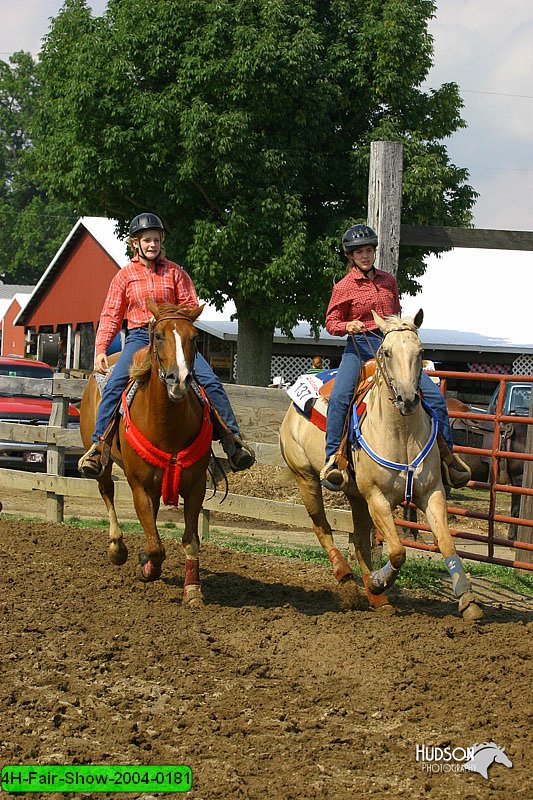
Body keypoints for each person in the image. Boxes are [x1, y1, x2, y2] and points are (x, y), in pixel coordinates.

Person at [78, 212, 255, 477]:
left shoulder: (175, 272)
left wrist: (167, 316)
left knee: (210, 381)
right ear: (135, 243)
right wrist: (101, 349)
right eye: (146, 240)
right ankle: (98, 446)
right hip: (139, 337)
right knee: (115, 383)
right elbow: (111, 314)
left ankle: (232, 441)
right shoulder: (124, 277)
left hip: (172, 337)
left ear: (161, 242)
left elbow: (191, 304)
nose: (152, 245)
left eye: (156, 240)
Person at [319, 223, 470, 492]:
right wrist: (347, 325)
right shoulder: (343, 287)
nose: (365, 256)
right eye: (359, 252)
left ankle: (448, 458)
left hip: (390, 346)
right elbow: (331, 322)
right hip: (360, 347)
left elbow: (396, 312)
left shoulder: (389, 281)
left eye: (369, 250)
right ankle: (334, 460)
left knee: (434, 397)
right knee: (341, 396)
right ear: (350, 257)